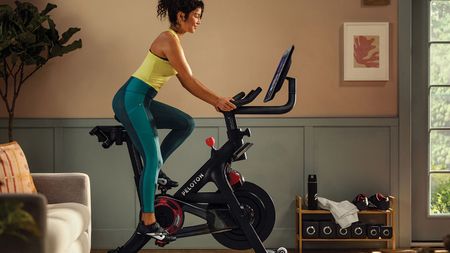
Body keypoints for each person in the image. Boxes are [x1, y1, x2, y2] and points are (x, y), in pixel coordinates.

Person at [112, 0, 236, 242]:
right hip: (133, 99)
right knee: (153, 158)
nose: (199, 21)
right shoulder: (168, 39)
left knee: (185, 123)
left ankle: (156, 170)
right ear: (182, 15)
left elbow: (186, 79)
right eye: (197, 16)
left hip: (140, 99)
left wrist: (218, 99)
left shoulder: (174, 41)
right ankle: (148, 220)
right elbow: (188, 80)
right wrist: (217, 100)